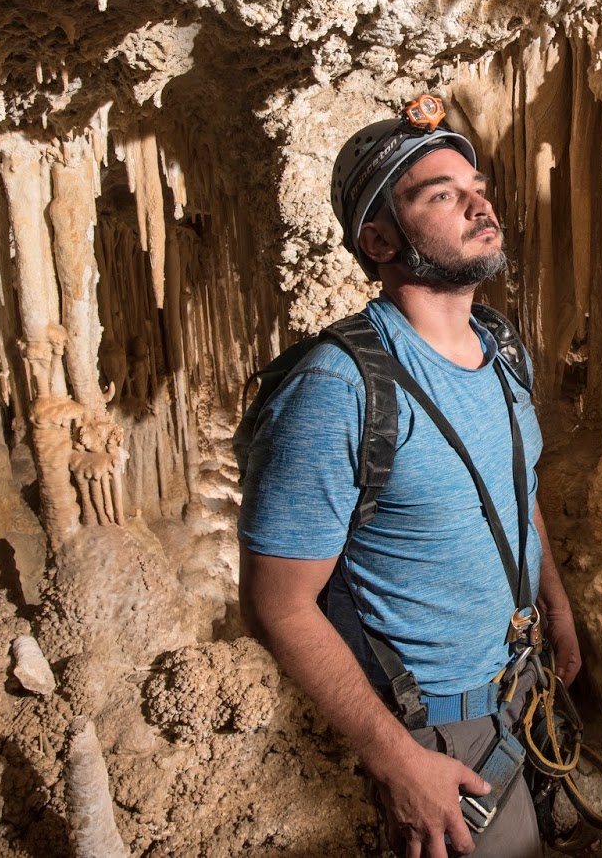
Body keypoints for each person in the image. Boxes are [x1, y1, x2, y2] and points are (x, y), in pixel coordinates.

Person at [239, 95, 581, 858]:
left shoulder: (500, 348)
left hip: (523, 685)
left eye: (476, 185)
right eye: (442, 195)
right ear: (380, 238)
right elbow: (276, 604)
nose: (478, 203)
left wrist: (553, 604)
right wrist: (393, 759)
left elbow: (515, 489)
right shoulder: (340, 387)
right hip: (437, 728)